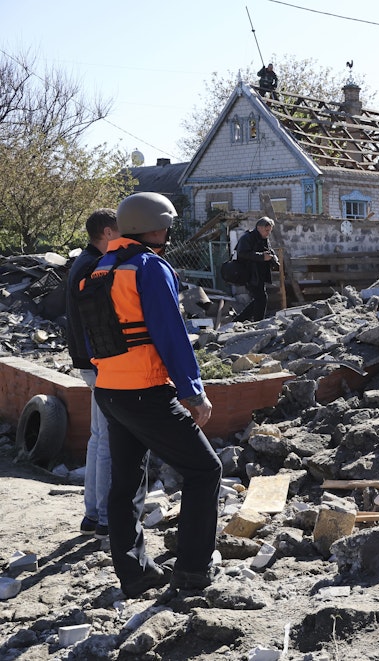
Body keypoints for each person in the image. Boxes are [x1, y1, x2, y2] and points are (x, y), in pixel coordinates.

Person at [82, 192, 221, 599]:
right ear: (154, 227)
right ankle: (193, 572)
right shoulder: (149, 267)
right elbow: (171, 334)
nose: (170, 230)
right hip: (145, 392)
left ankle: (136, 574)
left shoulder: (100, 268)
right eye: (167, 223)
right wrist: (194, 393)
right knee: (205, 470)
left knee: (124, 484)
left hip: (109, 390)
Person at [65, 209, 120, 541]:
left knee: (99, 438)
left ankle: (92, 515)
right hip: (98, 363)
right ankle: (102, 518)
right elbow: (97, 320)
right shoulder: (93, 266)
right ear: (107, 232)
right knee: (108, 442)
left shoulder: (83, 262)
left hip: (88, 361)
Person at [234, 217, 278, 323]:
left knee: (259, 299)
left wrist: (274, 259)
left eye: (269, 231)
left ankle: (239, 320)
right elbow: (242, 253)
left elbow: (269, 251)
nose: (268, 233)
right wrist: (261, 257)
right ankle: (258, 322)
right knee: (261, 298)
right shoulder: (247, 238)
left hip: (259, 273)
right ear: (259, 227)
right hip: (249, 273)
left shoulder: (263, 239)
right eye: (267, 230)